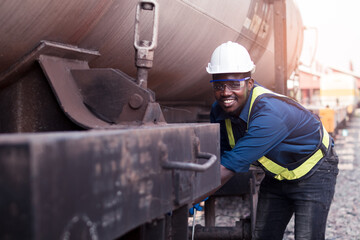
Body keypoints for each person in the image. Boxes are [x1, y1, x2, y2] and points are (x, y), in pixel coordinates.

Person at [205, 41, 339, 240]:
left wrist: (189, 199)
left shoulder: (270, 114)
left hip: (315, 173)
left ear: (250, 84)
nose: (226, 92)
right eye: (219, 85)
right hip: (277, 176)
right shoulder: (219, 112)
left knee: (306, 236)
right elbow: (223, 160)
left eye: (235, 84)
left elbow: (230, 166)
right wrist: (203, 194)